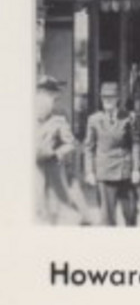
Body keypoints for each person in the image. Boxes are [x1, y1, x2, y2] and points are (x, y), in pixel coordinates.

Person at [34, 77, 91, 225]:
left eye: (51, 92)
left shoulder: (59, 114)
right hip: (40, 166)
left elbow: (68, 141)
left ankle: (83, 218)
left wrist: (59, 154)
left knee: (63, 196)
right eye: (47, 91)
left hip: (56, 163)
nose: (53, 95)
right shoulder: (33, 111)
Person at [84, 81, 140, 226]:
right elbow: (88, 147)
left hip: (125, 171)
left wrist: (136, 169)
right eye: (104, 98)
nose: (107, 101)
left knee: (131, 214)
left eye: (111, 97)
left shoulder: (128, 118)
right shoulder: (94, 119)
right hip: (105, 172)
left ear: (117, 99)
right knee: (107, 218)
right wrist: (89, 171)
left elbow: (135, 143)